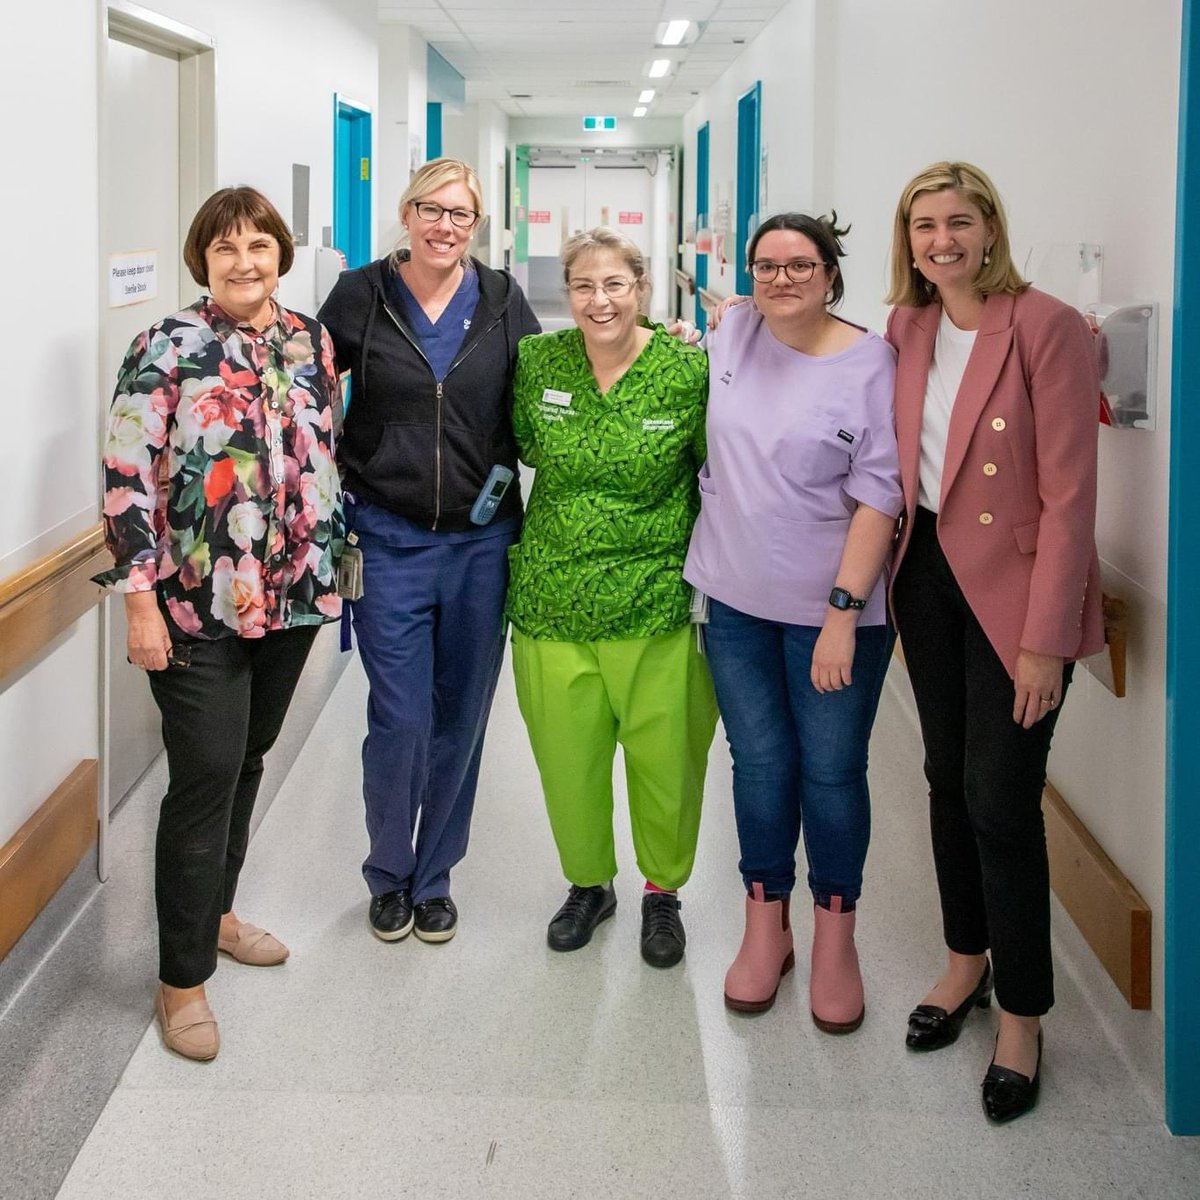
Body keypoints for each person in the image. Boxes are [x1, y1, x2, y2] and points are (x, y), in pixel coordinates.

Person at [96, 187, 345, 1061]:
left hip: (292, 598)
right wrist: (136, 601)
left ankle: (220, 915)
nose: (247, 261)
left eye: (261, 245)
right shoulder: (167, 345)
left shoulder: (310, 338)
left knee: (246, 762)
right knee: (203, 778)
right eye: (227, 248)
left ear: (282, 251)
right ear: (202, 258)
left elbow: (322, 452)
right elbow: (127, 477)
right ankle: (181, 980)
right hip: (194, 604)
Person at [886, 161, 1103, 1122]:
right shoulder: (908, 326)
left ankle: (1023, 1012)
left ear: (990, 228)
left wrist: (1047, 639)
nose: (943, 239)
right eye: (925, 224)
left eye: (960, 221)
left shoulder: (1046, 326)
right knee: (942, 777)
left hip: (1014, 590)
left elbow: (1070, 498)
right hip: (926, 573)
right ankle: (963, 960)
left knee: (1000, 797)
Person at [684, 214, 902, 1030]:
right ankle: (765, 925)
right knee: (760, 765)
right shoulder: (733, 329)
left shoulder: (871, 361)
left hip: (832, 612)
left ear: (830, 272)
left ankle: (836, 939)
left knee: (833, 773)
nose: (782, 278)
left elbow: (881, 493)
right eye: (766, 265)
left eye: (800, 264)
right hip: (734, 603)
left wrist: (844, 614)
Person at [318, 159, 540, 944]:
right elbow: (302, 388)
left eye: (460, 215)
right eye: (430, 209)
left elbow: (555, 384)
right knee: (401, 716)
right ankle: (388, 870)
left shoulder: (505, 299)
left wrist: (659, 341)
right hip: (387, 535)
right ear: (405, 214)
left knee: (462, 717)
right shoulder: (360, 295)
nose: (444, 226)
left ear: (477, 225)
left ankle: (435, 874)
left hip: (483, 543)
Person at [507, 227, 717, 968]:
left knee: (666, 761)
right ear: (567, 294)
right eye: (585, 287)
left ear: (643, 289)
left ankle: (663, 893)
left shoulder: (687, 369)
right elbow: (525, 446)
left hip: (656, 597)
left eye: (616, 285)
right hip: (550, 598)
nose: (601, 301)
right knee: (568, 759)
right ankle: (589, 885)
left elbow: (713, 473)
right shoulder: (538, 360)